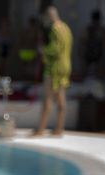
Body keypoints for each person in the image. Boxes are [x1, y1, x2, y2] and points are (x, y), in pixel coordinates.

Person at [33, 6, 72, 137]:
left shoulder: (54, 29)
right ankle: (59, 129)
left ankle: (41, 129)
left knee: (47, 99)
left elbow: (55, 49)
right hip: (65, 66)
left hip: (53, 68)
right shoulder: (66, 28)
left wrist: (42, 50)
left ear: (49, 17)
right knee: (61, 99)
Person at [79, 10, 105, 79]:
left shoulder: (100, 30)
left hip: (95, 55)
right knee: (84, 74)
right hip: (91, 55)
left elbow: (81, 44)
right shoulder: (101, 30)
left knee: (99, 74)